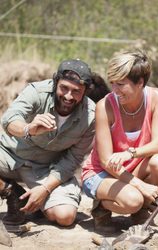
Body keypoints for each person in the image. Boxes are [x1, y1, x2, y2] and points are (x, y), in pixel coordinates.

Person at [0, 59, 95, 226]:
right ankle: (11, 192)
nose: (68, 96)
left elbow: (73, 159)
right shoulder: (36, 92)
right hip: (9, 155)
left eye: (76, 91)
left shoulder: (91, 116)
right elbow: (9, 120)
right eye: (64, 88)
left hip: (44, 168)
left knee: (65, 217)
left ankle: (32, 202)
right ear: (55, 82)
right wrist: (29, 129)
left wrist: (45, 190)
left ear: (85, 91)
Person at [81, 50, 158, 232]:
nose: (114, 90)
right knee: (134, 199)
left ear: (140, 83)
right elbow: (106, 161)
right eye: (112, 83)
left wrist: (129, 153)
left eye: (121, 84)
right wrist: (141, 185)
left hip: (130, 166)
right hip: (100, 173)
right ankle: (101, 207)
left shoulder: (156, 97)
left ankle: (140, 211)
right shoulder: (104, 106)